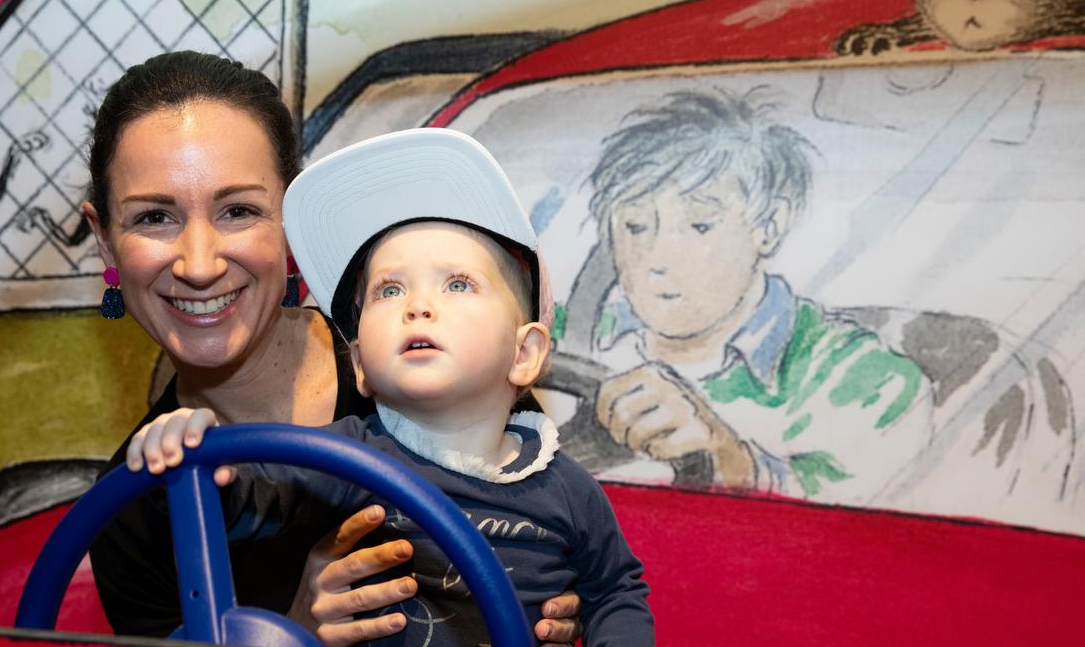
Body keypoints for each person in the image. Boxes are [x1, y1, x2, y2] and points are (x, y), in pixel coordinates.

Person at [82, 51, 582, 645]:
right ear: (106, 242)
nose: (199, 264)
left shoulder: (436, 365)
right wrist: (292, 633)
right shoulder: (133, 503)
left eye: (238, 211)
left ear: (289, 221)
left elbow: (558, 557)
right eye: (155, 217)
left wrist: (554, 614)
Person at [131, 128, 655, 645]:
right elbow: (249, 501)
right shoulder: (347, 456)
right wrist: (190, 456)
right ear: (359, 363)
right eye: (389, 288)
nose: (418, 305)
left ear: (523, 354)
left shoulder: (565, 487)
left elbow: (615, 591)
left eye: (457, 284)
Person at [586, 87, 931, 500]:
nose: (657, 259)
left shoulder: (865, 380)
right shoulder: (566, 335)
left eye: (699, 226)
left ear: (768, 225)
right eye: (636, 227)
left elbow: (857, 529)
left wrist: (731, 461)